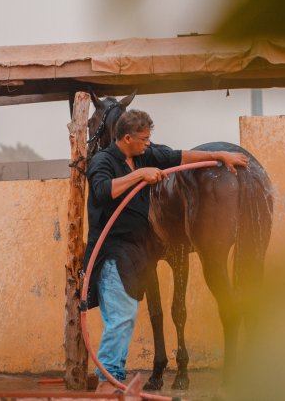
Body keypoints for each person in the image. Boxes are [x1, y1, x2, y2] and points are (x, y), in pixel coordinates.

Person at [83, 109, 248, 393]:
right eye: (144, 139)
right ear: (126, 138)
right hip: (111, 251)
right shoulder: (103, 161)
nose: (149, 144)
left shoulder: (145, 155)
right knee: (121, 317)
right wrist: (140, 176)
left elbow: (179, 157)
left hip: (136, 250)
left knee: (125, 317)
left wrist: (220, 155)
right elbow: (101, 191)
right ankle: (106, 383)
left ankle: (113, 378)